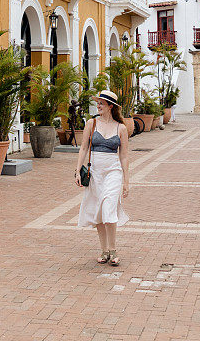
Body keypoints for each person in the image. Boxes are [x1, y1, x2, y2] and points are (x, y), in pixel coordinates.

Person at [75, 89, 130, 266]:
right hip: (95, 172)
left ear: (110, 107)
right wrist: (77, 171)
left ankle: (113, 250)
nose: (98, 105)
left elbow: (124, 156)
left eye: (101, 103)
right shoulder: (91, 124)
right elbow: (83, 148)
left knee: (108, 206)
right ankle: (104, 250)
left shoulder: (121, 128)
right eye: (97, 102)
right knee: (98, 209)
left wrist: (126, 181)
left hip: (113, 171)